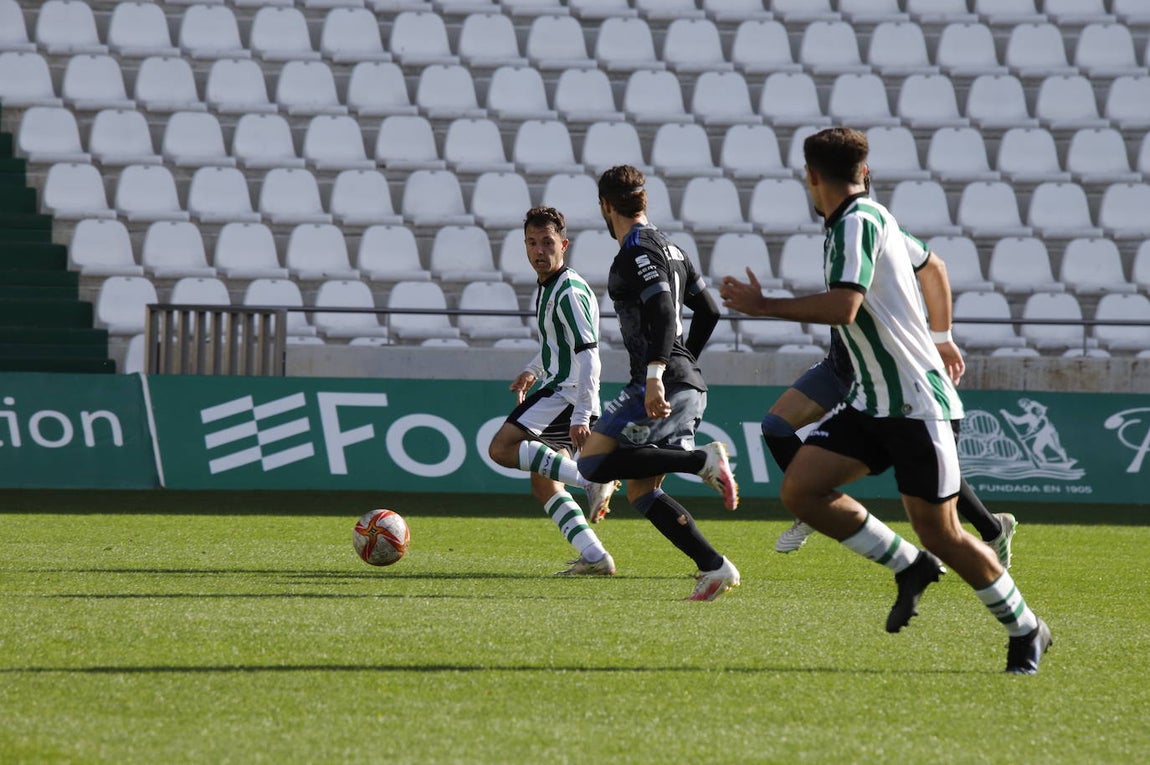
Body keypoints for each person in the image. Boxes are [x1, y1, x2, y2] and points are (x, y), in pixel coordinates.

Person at [719, 127, 1051, 673]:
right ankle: (909, 567)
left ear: (811, 177)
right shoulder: (872, 219)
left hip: (917, 403)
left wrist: (764, 305)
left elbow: (845, 306)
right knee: (802, 489)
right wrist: (941, 336)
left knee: (944, 533)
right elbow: (934, 266)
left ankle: (1026, 627)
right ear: (863, 171)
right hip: (872, 400)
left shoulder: (857, 221)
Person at [758, 228, 1018, 567]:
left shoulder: (877, 234)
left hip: (882, 375)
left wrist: (942, 336)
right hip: (838, 367)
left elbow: (928, 269)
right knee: (775, 425)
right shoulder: (837, 238)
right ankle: (811, 511)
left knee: (926, 468)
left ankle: (991, 528)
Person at [575, 164, 741, 602]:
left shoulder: (636, 251)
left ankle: (700, 460)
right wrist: (684, 366)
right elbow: (709, 311)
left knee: (591, 465)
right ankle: (714, 567)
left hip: (657, 383)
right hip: (681, 381)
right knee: (642, 491)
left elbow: (666, 312)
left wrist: (657, 376)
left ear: (606, 206)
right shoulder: (671, 248)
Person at [487, 206, 621, 576]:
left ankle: (592, 478)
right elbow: (557, 344)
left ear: (564, 244)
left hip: (566, 394)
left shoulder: (568, 292)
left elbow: (590, 356)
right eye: (531, 243)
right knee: (543, 483)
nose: (538, 250)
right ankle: (595, 557)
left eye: (547, 242)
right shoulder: (552, 287)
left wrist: (581, 412)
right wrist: (533, 369)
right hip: (563, 390)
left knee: (501, 448)